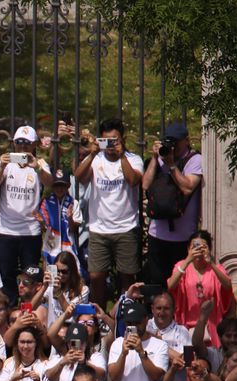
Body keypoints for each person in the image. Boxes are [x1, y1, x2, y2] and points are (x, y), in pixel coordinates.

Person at [75, 119, 143, 308]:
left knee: (126, 276)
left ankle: (126, 313)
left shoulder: (133, 159)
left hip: (126, 227)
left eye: (115, 140)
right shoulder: (96, 160)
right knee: (96, 276)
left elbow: (133, 181)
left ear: (123, 139)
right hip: (99, 228)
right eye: (107, 141)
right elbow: (80, 178)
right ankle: (99, 317)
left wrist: (122, 157)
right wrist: (91, 154)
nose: (111, 146)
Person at [0, 125, 52, 301]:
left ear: (34, 145)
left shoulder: (40, 164)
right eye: (19, 143)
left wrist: (36, 167)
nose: (22, 147)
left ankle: (29, 309)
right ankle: (9, 309)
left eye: (26, 143)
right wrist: (1, 166)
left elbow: (50, 182)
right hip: (6, 230)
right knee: (6, 274)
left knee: (30, 277)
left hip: (30, 230)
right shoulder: (7, 164)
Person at [143, 121, 203, 286]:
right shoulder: (161, 157)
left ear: (186, 140)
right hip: (157, 235)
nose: (173, 146)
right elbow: (145, 185)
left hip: (183, 237)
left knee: (181, 285)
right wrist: (155, 159)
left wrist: (171, 165)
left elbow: (187, 187)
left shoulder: (194, 159)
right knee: (157, 285)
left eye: (176, 141)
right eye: (170, 141)